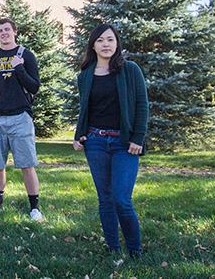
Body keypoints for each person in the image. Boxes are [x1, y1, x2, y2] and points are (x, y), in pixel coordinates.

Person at [72, 23, 148, 257]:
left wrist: (138, 137)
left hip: (124, 143)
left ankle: (135, 250)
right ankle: (113, 248)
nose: (106, 44)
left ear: (117, 44)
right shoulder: (85, 76)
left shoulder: (130, 70)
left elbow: (142, 105)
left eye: (110, 40)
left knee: (121, 199)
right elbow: (86, 108)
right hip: (95, 142)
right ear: (93, 45)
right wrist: (79, 134)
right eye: (100, 40)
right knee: (105, 199)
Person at [0, 18, 43, 221]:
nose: (4, 33)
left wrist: (19, 68)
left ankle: (34, 208)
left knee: (27, 164)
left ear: (15, 31)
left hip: (20, 117)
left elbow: (34, 87)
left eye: (7, 29)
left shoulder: (26, 55)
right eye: (0, 30)